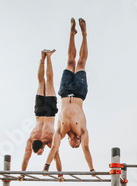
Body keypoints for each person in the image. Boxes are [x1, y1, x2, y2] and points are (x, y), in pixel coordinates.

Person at [44, 18, 95, 174]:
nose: (78, 144)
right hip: (79, 93)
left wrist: (46, 167)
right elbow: (86, 148)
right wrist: (92, 169)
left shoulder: (61, 130)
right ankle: (84, 34)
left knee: (70, 62)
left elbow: (54, 147)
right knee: (81, 63)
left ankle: (72, 33)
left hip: (65, 92)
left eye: (75, 145)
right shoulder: (83, 131)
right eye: (78, 144)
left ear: (70, 142)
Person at [20, 49, 63, 181]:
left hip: (49, 112)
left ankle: (47, 58)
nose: (41, 154)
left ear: (42, 146)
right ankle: (44, 58)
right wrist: (22, 173)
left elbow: (56, 157)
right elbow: (26, 158)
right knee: (42, 82)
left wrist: (22, 174)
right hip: (39, 112)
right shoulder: (32, 139)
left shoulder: (48, 140)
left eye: (40, 153)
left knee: (47, 81)